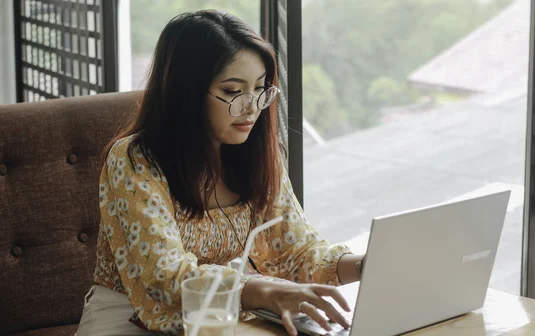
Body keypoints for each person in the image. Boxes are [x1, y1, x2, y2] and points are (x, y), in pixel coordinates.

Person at [76, 10, 365, 336]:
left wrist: (367, 265)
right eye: (232, 91)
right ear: (186, 92)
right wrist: (264, 292)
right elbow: (164, 276)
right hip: (132, 316)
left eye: (260, 88)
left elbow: (296, 250)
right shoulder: (134, 161)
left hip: (227, 314)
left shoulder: (257, 155)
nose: (252, 107)